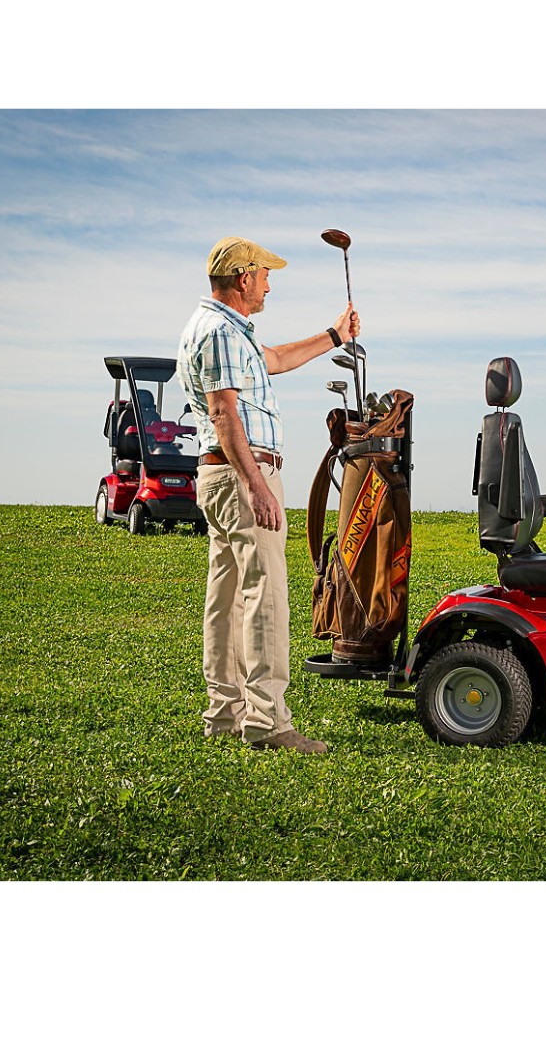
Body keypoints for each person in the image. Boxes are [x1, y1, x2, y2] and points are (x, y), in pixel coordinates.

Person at [177, 235, 359, 754]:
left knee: (228, 596)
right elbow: (223, 413)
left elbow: (275, 357)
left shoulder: (225, 330)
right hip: (242, 473)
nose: (269, 286)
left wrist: (333, 336)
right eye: (265, 276)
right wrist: (257, 485)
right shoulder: (218, 332)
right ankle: (268, 721)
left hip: (224, 474)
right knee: (266, 595)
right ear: (243, 279)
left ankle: (225, 714)